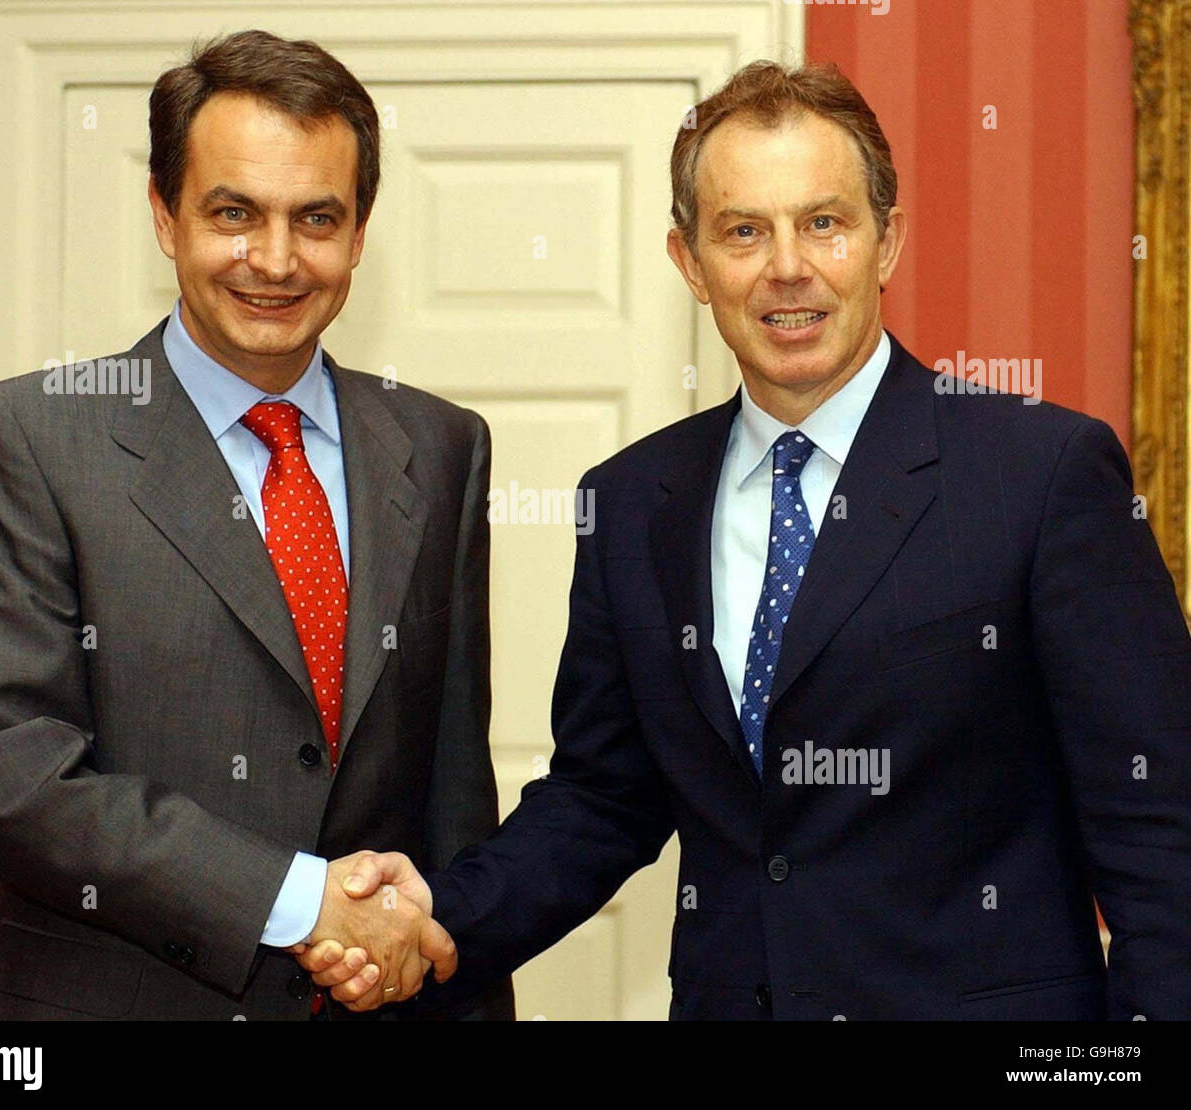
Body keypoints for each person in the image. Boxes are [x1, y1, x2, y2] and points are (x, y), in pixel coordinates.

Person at [303, 59, 1191, 1020]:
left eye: (824, 222)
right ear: (690, 262)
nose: (787, 268)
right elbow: (603, 798)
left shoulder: (1042, 474)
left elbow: (1159, 831)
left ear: (885, 241)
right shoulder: (635, 503)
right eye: (743, 231)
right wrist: (436, 914)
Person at [0, 29, 512, 1021]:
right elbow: (7, 772)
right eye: (234, 213)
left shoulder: (441, 446)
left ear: (360, 232)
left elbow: (453, 790)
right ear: (165, 214)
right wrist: (296, 900)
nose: (275, 260)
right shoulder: (23, 438)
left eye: (316, 219)